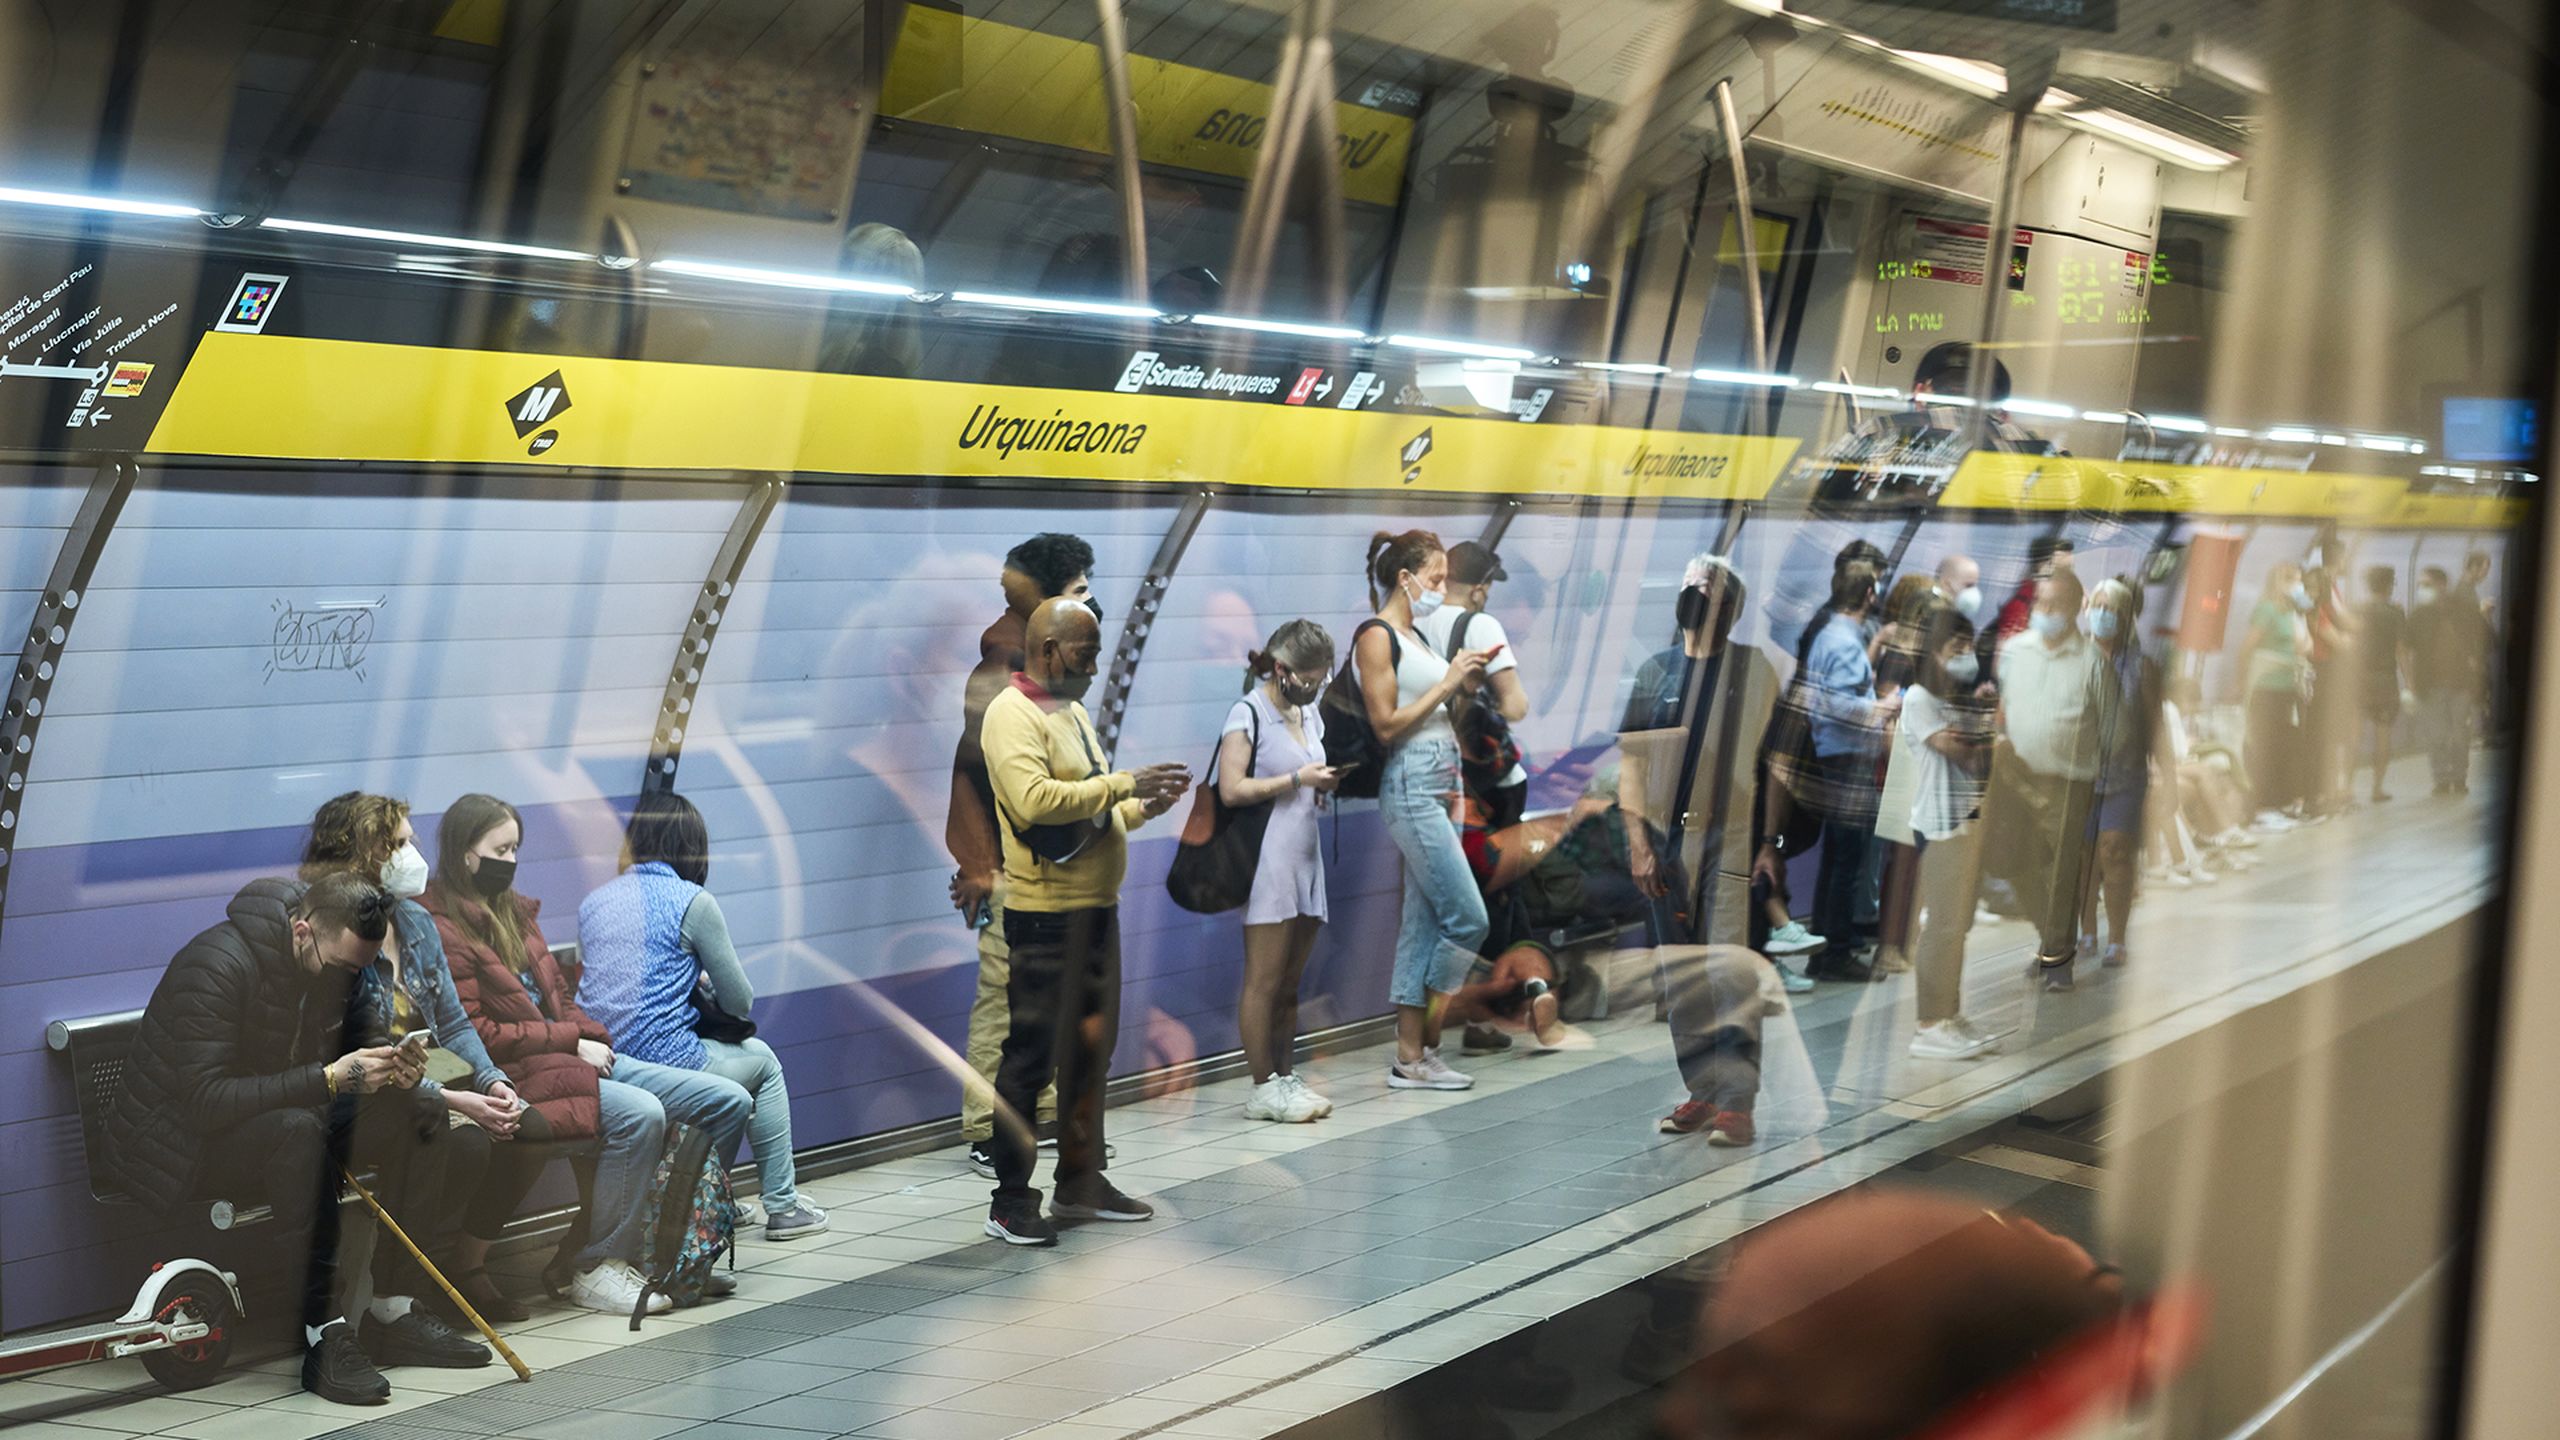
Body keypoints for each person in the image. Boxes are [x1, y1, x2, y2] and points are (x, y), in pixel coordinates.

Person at [102, 872, 481, 1406]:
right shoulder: (216, 965)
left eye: (364, 968)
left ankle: (393, 1310)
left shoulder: (334, 961)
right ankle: (324, 1335)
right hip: (179, 1144)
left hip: (277, 1116)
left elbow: (358, 1039)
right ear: (302, 931)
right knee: (297, 1134)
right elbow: (206, 1102)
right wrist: (328, 1079)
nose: (353, 978)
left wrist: (390, 1064)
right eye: (346, 967)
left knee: (417, 1109)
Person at [424, 793, 754, 1316]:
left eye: (515, 850)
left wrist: (590, 1036)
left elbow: (561, 997)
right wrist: (568, 1042)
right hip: (517, 1071)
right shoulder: (440, 926)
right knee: (641, 1114)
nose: (509, 862)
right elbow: (476, 1032)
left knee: (727, 1100)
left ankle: (665, 1249)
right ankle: (597, 1265)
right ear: (465, 853)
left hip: (570, 1059)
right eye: (500, 849)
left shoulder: (515, 913)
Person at [980, 598, 1191, 1244]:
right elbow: (1036, 802)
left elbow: (1092, 817)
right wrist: (1121, 785)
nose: (1095, 667)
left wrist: (1143, 807)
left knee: (1088, 1057)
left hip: (1097, 913)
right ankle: (1011, 1200)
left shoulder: (1067, 712)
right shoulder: (1009, 715)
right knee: (1029, 1061)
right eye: (1085, 653)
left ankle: (1079, 1180)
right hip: (1044, 921)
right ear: (1047, 651)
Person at [298, 792, 524, 1338]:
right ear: (363, 854)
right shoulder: (336, 930)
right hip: (357, 1100)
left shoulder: (417, 922)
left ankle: (397, 1298)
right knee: (444, 1127)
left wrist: (491, 1080)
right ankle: (390, 1302)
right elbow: (360, 1052)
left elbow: (454, 1021)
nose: (411, 854)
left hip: (415, 1087)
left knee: (486, 1135)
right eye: (397, 844)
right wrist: (452, 1098)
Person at [579, 791, 831, 1241]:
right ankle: (781, 1206)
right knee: (765, 1063)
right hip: (666, 1055)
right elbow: (739, 1002)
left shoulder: (594, 902)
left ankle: (719, 1200)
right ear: (689, 847)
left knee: (747, 1056)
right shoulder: (692, 901)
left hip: (608, 1058)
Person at [949, 533, 1094, 1176]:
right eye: (1081, 591)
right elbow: (972, 772)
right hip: (1010, 868)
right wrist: (979, 863)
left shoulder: (1044, 670)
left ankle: (1038, 1118)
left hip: (1044, 862)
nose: (1091, 604)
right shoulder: (1004, 670)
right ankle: (988, 1128)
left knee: (1043, 998)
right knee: (1004, 997)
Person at [1357, 530, 1495, 1090]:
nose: (1442, 589)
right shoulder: (1376, 636)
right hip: (1412, 785)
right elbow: (1386, 722)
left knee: (1423, 925)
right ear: (1404, 578)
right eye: (1435, 579)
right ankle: (1434, 1034)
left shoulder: (1416, 635)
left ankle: (1410, 1058)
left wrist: (1462, 684)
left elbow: (1436, 710)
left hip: (1441, 782)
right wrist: (1447, 684)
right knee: (1469, 918)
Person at [1216, 620, 1343, 1123]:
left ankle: (1285, 1076)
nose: (1316, 687)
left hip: (1305, 853)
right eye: (1310, 678)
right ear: (1283, 669)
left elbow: (1310, 772)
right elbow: (1231, 789)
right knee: (1263, 980)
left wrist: (1322, 781)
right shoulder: (1247, 713)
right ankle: (1261, 1083)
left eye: (1323, 678)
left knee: (1293, 981)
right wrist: (1295, 778)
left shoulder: (1309, 714)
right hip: (1268, 856)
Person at [1772, 558, 1899, 981]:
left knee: (1838, 858)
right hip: (1847, 758)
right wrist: (1883, 707)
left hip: (1834, 756)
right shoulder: (1843, 642)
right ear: (1869, 594)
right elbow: (1838, 705)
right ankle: (1837, 952)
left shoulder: (1830, 634)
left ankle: (1828, 943)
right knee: (1848, 860)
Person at [1990, 569, 2115, 991]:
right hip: (2015, 776)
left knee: (2061, 872)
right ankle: (2051, 938)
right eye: (2040, 603)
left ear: (2075, 608)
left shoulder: (2093, 661)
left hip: (2069, 780)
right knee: (2017, 865)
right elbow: (2003, 706)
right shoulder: (2015, 651)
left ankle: (2058, 960)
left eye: (2055, 605)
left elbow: (2112, 724)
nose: (2045, 612)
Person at [1902, 606, 1999, 1059]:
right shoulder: (1919, 698)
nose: (1966, 656)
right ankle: (1928, 1023)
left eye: (1968, 647)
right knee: (1940, 926)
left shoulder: (1955, 699)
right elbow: (1963, 753)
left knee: (1957, 926)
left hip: (1966, 824)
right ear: (1935, 652)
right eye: (1956, 648)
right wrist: (1986, 726)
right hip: (1937, 826)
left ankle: (1950, 1012)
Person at [1416, 540, 1531, 829]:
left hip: (1431, 776)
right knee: (1491, 867)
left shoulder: (1413, 622)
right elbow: (1515, 707)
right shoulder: (1480, 625)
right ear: (1478, 591)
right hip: (1487, 785)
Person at [2077, 579, 2152, 971]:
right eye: (2098, 606)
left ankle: (2117, 938)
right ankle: (2086, 929)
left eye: (2112, 609)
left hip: (2125, 773)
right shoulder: (2075, 657)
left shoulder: (2139, 666)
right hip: (2079, 773)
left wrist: (2165, 775)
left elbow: (2151, 724)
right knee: (2084, 855)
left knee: (2114, 850)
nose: (2103, 615)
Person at [2241, 562, 2313, 818]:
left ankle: (2286, 797)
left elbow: (2304, 647)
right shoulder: (2266, 610)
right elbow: (2248, 648)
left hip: (2288, 686)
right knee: (2265, 743)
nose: (2296, 584)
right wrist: (2240, 683)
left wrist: (2301, 613)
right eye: (2290, 579)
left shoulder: (2292, 613)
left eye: (2298, 579)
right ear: (2276, 582)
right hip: (2266, 686)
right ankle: (2263, 799)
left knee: (2288, 742)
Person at [2409, 563, 2488, 795]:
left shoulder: (2464, 609)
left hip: (2461, 683)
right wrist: (2412, 682)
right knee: (2437, 735)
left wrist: (2475, 660)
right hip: (2430, 684)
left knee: (2459, 734)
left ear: (2442, 585)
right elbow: (2409, 647)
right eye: (2420, 586)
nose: (2422, 590)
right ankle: (2441, 778)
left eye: (2427, 585)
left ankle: (2459, 777)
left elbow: (2484, 637)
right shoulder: (2419, 614)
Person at [2354, 566, 2410, 802]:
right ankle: (2376, 789)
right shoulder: (2395, 613)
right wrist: (2409, 682)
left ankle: (2345, 789)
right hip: (2385, 679)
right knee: (2383, 735)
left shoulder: (2357, 610)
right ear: (2389, 585)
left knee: (2353, 735)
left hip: (2359, 679)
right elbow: (2401, 651)